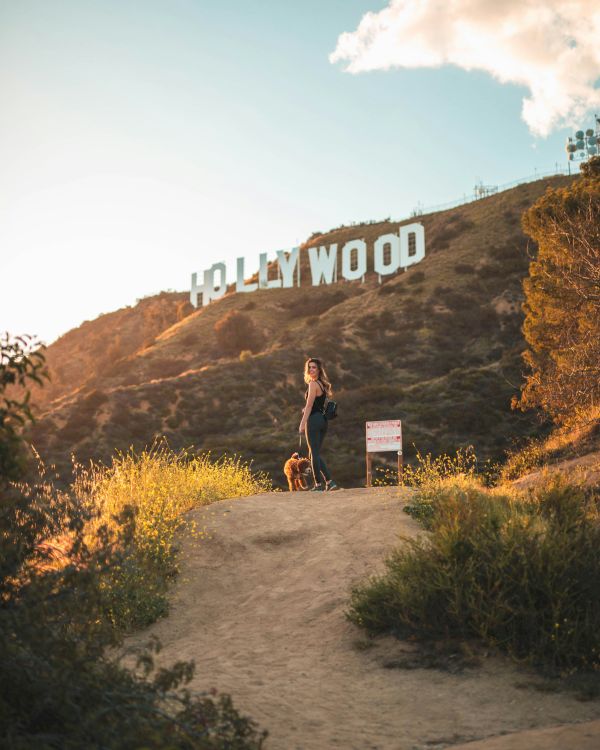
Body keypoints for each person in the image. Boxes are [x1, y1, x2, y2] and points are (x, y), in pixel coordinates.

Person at [298, 357, 339, 492]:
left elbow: (309, 406)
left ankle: (318, 485)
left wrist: (302, 423)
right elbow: (316, 404)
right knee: (314, 453)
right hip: (322, 421)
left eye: (314, 367)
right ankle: (330, 482)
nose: (311, 369)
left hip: (314, 421)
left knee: (313, 454)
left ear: (319, 369)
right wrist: (307, 410)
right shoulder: (322, 384)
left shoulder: (313, 384)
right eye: (309, 367)